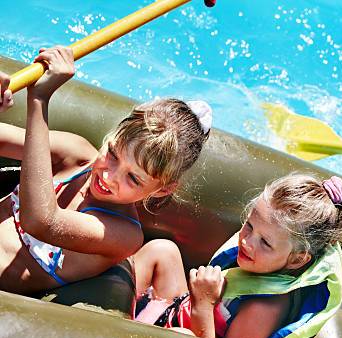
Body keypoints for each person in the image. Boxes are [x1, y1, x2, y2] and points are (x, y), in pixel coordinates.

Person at [0, 46, 210, 295]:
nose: (108, 177)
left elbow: (40, 222)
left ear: (163, 189)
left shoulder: (122, 233)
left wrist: (39, 100)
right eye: (112, 153)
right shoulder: (77, 155)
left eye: (133, 178)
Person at [132, 173, 342, 338]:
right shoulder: (261, 263)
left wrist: (204, 303)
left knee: (182, 336)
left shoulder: (263, 309)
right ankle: (113, 314)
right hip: (174, 313)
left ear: (296, 260)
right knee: (162, 250)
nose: (247, 241)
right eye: (248, 226)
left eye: (265, 242)